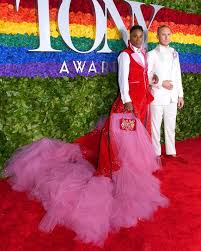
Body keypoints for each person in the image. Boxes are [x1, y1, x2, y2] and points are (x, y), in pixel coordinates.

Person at [4, 25, 168, 247]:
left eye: (141, 36)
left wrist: (153, 81)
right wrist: (127, 100)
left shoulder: (143, 54)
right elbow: (123, 80)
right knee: (124, 141)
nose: (138, 39)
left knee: (138, 140)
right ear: (130, 37)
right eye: (135, 36)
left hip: (141, 102)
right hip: (128, 104)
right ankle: (121, 170)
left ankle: (135, 168)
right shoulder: (124, 55)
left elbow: (143, 76)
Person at [147, 25, 184, 158]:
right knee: (155, 126)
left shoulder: (175, 53)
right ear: (157, 36)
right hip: (157, 96)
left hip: (172, 96)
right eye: (163, 34)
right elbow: (147, 75)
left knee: (171, 126)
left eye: (168, 34)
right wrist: (161, 83)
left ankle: (171, 151)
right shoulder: (151, 54)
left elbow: (177, 74)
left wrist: (180, 95)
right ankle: (156, 153)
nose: (166, 37)